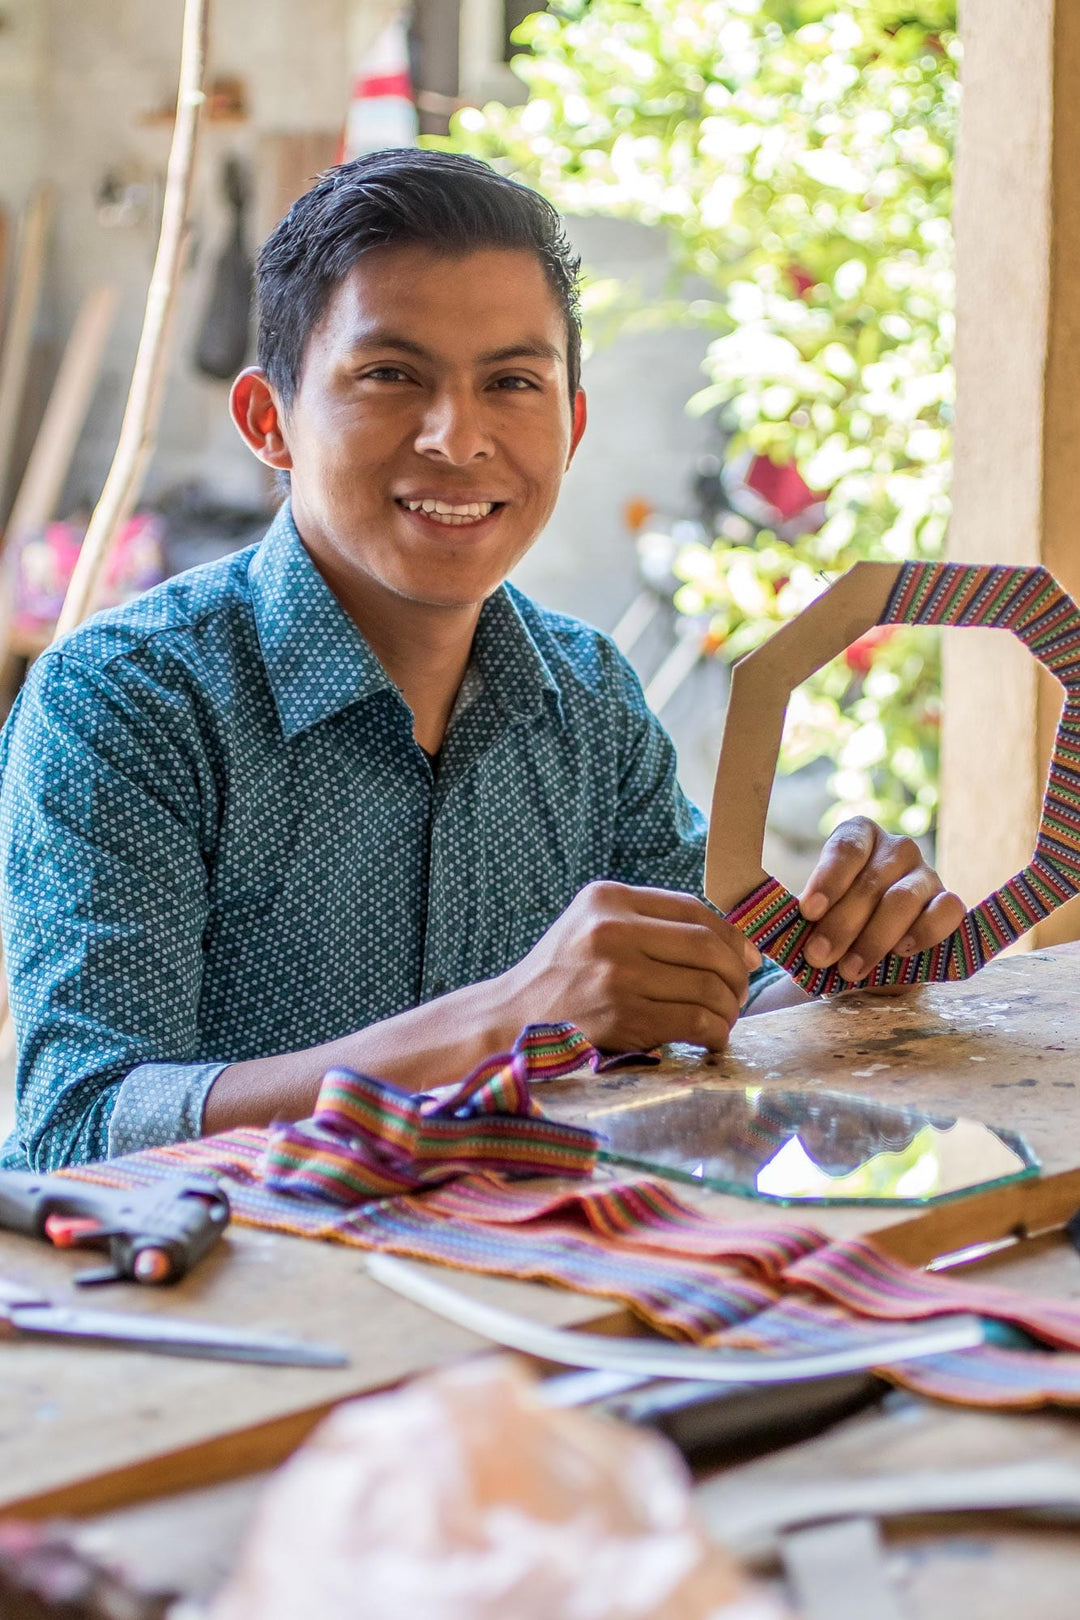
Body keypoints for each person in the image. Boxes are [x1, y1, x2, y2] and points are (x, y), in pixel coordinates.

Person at [0, 151, 964, 1172]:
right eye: (389, 375)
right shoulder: (125, 702)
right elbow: (82, 1126)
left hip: (547, 1293)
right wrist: (512, 1015)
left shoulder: (588, 698)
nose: (459, 439)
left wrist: (842, 970)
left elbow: (695, 1006)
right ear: (267, 421)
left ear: (572, 423)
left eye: (512, 381)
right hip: (240, 1305)